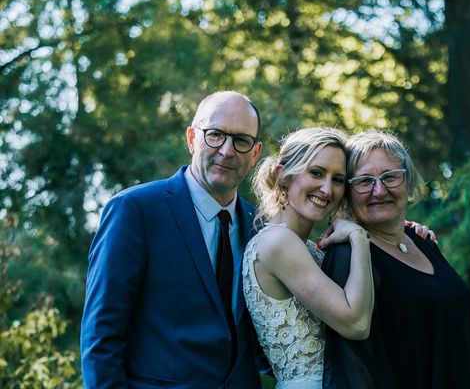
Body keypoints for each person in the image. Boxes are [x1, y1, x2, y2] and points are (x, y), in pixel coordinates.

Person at [81, 91, 267, 388]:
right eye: (215, 135)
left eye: (241, 140)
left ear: (255, 153)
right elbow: (101, 336)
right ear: (192, 139)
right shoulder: (135, 211)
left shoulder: (261, 226)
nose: (227, 150)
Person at [322, 130, 470, 389]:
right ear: (348, 192)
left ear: (408, 183)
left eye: (390, 177)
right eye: (364, 181)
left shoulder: (423, 240)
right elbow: (353, 367)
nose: (379, 190)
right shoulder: (349, 253)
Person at [242, 127, 373, 389]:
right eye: (316, 173)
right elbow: (357, 324)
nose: (326, 189)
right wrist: (359, 238)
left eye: (337, 179)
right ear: (283, 176)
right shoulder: (277, 242)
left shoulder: (309, 248)